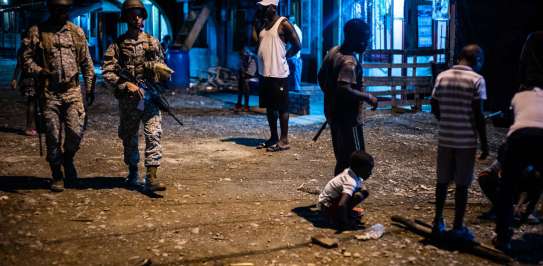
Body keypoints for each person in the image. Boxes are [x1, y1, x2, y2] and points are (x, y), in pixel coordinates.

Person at [22, 0, 95, 192]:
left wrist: (90, 88)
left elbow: (87, 63)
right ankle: (56, 173)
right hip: (49, 92)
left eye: (65, 10)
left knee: (75, 131)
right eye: (58, 10)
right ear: (51, 9)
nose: (63, 13)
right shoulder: (37, 32)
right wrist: (39, 70)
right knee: (52, 135)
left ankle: (68, 158)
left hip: (72, 91)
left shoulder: (76, 32)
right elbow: (25, 59)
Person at [102, 0, 169, 192]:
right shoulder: (117, 45)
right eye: (133, 14)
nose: (137, 18)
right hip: (129, 101)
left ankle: (151, 176)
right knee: (129, 137)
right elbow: (107, 71)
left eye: (139, 14)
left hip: (149, 98)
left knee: (154, 133)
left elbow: (162, 67)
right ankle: (133, 171)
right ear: (126, 18)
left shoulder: (152, 41)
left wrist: (160, 73)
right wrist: (126, 84)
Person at [430, 44, 488, 241]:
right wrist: (485, 143)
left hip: (445, 137)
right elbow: (479, 114)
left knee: (442, 181)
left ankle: (437, 221)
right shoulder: (477, 80)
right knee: (462, 184)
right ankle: (457, 226)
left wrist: (445, 120)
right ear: (477, 59)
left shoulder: (442, 76)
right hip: (466, 141)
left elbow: (434, 105)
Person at [494, 32, 543, 252]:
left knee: (507, 186)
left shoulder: (521, 94)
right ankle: (526, 211)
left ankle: (503, 235)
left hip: (520, 136)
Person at [317, 19, 378, 175]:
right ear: (352, 37)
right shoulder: (348, 62)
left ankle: (338, 194)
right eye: (364, 38)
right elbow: (344, 89)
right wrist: (367, 97)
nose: (366, 42)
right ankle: (346, 195)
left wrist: (331, 96)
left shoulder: (333, 52)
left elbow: (320, 77)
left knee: (343, 158)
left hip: (333, 114)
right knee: (356, 162)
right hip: (349, 118)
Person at [253, 0, 301, 152]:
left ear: (273, 7)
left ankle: (284, 140)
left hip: (278, 73)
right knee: (269, 107)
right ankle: (273, 137)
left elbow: (297, 45)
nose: (262, 9)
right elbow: (258, 43)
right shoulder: (264, 24)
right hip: (264, 73)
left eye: (265, 7)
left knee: (282, 108)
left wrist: (284, 57)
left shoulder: (283, 23)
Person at [318, 150, 373, 230]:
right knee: (360, 194)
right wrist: (345, 223)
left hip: (325, 203)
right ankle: (338, 216)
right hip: (327, 207)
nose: (370, 173)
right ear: (359, 169)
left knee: (364, 191)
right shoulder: (350, 181)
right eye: (368, 170)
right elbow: (341, 204)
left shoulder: (350, 171)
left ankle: (344, 212)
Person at [12, 33, 38, 136]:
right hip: (33, 78)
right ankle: (29, 127)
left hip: (25, 78)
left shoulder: (21, 50)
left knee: (32, 102)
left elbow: (18, 65)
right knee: (33, 103)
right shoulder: (34, 49)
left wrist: (14, 79)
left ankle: (31, 126)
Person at [234, 47, 257, 112]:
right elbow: (240, 67)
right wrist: (239, 74)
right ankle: (239, 105)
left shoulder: (250, 58)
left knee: (246, 92)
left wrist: (247, 75)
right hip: (242, 76)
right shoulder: (243, 58)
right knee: (240, 91)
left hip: (247, 77)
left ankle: (246, 106)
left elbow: (252, 68)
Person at [287, 16, 302, 92]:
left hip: (294, 56)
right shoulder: (293, 29)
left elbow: (297, 45)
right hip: (292, 56)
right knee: (293, 76)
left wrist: (288, 54)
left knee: (295, 76)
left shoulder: (296, 30)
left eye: (289, 21)